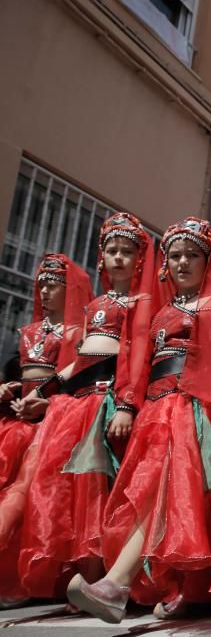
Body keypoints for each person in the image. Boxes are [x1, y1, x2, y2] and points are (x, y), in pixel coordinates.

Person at [64, 218, 211, 623]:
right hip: (156, 414)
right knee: (151, 494)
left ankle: (117, 584)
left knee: (170, 493)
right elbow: (136, 365)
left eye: (191, 256)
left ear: (208, 260)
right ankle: (149, 585)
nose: (182, 263)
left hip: (192, 413)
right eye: (175, 255)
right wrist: (129, 406)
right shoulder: (160, 312)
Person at [16, 213, 157, 600]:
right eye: (111, 250)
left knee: (104, 488)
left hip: (111, 399)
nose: (118, 258)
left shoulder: (143, 300)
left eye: (126, 251)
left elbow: (138, 354)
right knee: (76, 490)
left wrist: (127, 404)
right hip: (77, 403)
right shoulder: (96, 303)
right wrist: (42, 390)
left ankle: (104, 578)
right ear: (101, 258)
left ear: (141, 259)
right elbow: (76, 359)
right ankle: (81, 577)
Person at [0, 254, 91, 607]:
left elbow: (74, 382)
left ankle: (24, 578)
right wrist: (7, 390)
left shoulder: (77, 334)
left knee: (28, 497)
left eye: (54, 284)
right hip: (16, 424)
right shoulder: (27, 332)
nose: (45, 290)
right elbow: (12, 373)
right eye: (42, 284)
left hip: (52, 426)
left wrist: (42, 402)